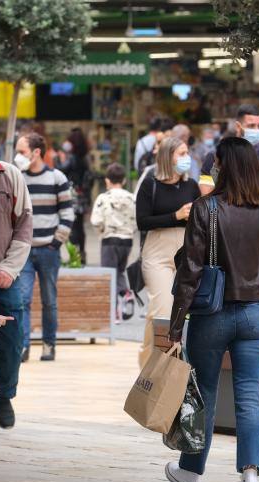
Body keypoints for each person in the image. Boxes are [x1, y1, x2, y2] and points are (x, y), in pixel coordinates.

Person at [165, 136, 259, 482]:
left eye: (216, 161)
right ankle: (250, 479)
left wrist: (175, 325)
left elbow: (191, 271)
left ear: (224, 166)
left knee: (204, 395)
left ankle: (191, 472)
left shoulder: (204, 208)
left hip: (211, 314)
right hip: (253, 314)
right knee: (249, 397)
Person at [135, 137, 200, 367]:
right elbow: (141, 221)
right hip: (157, 251)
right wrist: (176, 215)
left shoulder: (191, 185)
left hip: (186, 250)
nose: (186, 158)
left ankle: (173, 365)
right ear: (167, 157)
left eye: (186, 153)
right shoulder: (150, 184)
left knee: (183, 311)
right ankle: (149, 366)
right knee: (161, 310)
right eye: (181, 153)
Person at [15, 133, 75, 363]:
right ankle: (23, 345)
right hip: (24, 251)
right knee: (23, 299)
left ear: (36, 152)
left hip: (49, 249)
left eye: (21, 151)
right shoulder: (17, 177)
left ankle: (49, 345)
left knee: (49, 300)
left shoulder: (56, 177)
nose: (18, 156)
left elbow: (68, 213)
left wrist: (56, 241)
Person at [0, 150, 32, 428]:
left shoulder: (8, 174)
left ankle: (3, 396)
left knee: (13, 341)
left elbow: (24, 225)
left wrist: (10, 268)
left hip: (2, 274)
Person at [90, 163, 136, 321]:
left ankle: (114, 313)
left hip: (109, 239)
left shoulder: (103, 198)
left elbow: (96, 220)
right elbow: (137, 220)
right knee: (119, 271)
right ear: (123, 180)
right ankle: (126, 293)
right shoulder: (131, 198)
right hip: (127, 241)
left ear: (107, 180)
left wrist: (101, 232)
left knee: (109, 275)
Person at [200, 105, 259, 184]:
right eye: (251, 126)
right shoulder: (216, 157)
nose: (256, 130)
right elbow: (207, 193)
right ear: (238, 127)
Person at [57, 128, 92, 263]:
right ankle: (82, 252)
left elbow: (62, 169)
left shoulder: (71, 158)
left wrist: (59, 158)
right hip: (82, 195)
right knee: (80, 226)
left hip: (72, 194)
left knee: (72, 225)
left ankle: (75, 255)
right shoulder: (85, 158)